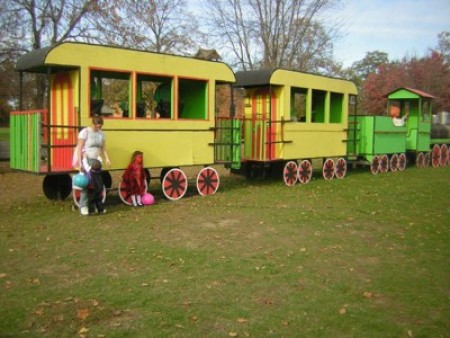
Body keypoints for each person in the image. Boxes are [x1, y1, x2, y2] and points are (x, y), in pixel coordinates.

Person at [75, 115, 110, 215]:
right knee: (87, 184)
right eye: (97, 126)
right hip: (87, 160)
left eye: (100, 126)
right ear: (93, 124)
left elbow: (103, 148)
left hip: (97, 161)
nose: (98, 128)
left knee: (97, 185)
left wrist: (107, 158)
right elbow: (79, 147)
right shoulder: (85, 132)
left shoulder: (101, 134)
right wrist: (80, 162)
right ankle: (84, 206)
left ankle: (95, 205)